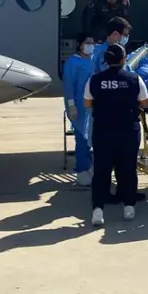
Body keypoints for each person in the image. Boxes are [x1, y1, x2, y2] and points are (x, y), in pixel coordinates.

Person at [83, 44, 148, 226]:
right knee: (128, 169)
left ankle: (97, 211)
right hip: (128, 131)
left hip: (103, 131)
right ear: (123, 59)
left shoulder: (94, 80)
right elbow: (145, 103)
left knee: (101, 171)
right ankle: (129, 207)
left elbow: (87, 104)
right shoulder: (135, 79)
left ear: (106, 59)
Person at [63, 33, 95, 186]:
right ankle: (82, 171)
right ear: (81, 45)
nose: (91, 45)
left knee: (93, 139)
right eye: (88, 42)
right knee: (82, 140)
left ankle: (91, 168)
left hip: (95, 108)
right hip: (80, 109)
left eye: (92, 43)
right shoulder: (72, 63)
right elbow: (68, 87)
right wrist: (71, 106)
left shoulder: (94, 60)